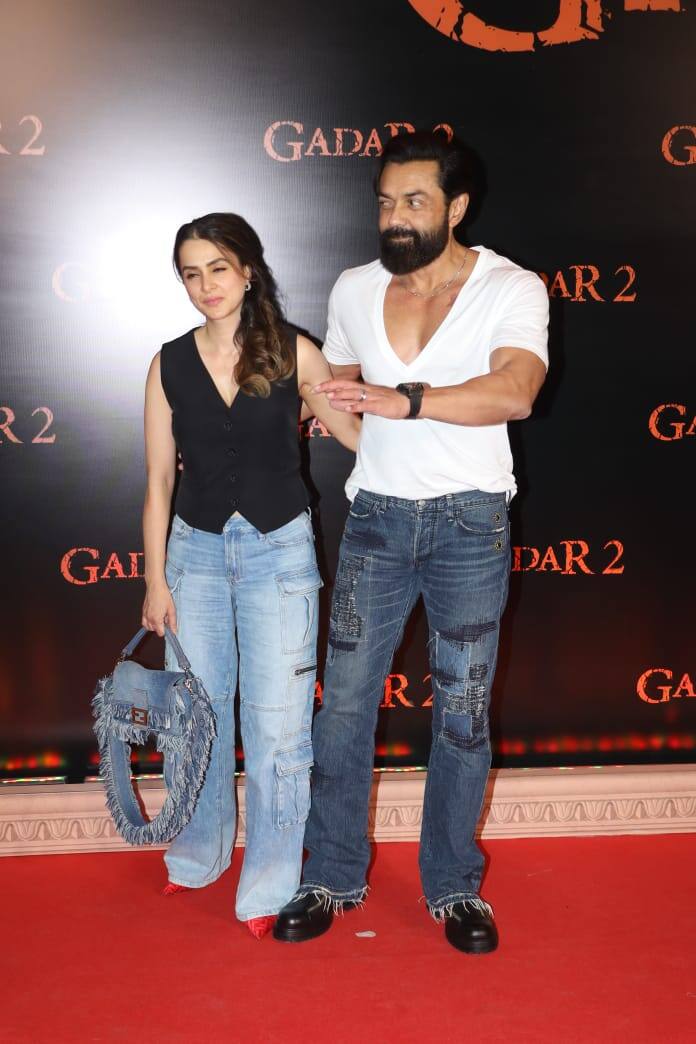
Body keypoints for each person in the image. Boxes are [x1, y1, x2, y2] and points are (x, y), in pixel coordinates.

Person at [273, 131, 549, 953]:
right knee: (346, 709)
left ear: (456, 207)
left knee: (461, 715)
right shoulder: (355, 288)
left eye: (416, 202)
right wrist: (285, 413)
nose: (396, 217)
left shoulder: (511, 285)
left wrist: (408, 401)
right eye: (387, 202)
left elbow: (517, 390)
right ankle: (332, 873)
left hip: (470, 522)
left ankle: (454, 886)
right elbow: (345, 399)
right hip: (377, 522)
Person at [141, 213, 360, 939]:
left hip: (278, 552)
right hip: (193, 555)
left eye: (217, 269)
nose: (205, 285)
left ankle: (269, 879)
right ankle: (199, 853)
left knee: (277, 728)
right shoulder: (167, 362)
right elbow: (156, 483)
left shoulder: (296, 352)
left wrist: (432, 420)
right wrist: (154, 580)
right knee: (196, 720)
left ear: (248, 272)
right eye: (190, 272)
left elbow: (358, 435)